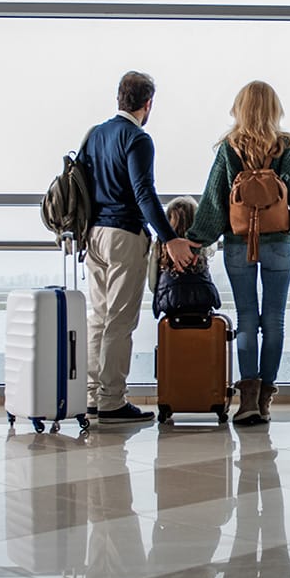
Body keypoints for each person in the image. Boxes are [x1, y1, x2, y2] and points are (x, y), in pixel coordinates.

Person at [186, 80, 290, 425]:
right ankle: (266, 398)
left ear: (240, 108)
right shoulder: (286, 147)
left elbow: (214, 201)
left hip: (238, 245)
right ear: (274, 109)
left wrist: (196, 239)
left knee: (246, 320)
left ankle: (248, 402)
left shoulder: (229, 148)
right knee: (274, 321)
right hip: (279, 245)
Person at [82, 71, 195, 423]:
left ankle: (92, 396)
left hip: (93, 235)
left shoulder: (95, 135)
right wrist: (170, 238)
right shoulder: (137, 138)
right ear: (148, 104)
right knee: (119, 321)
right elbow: (144, 194)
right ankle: (112, 400)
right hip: (123, 236)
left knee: (99, 318)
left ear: (119, 98)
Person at [149, 196, 221, 319]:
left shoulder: (159, 246)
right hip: (203, 300)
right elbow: (213, 245)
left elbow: (152, 285)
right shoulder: (200, 245)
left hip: (169, 302)